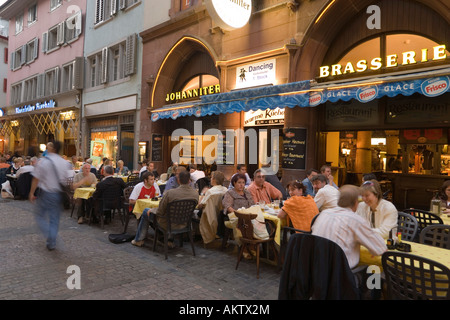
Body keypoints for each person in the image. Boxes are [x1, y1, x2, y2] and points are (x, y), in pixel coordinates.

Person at [311, 185, 387, 269]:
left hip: (315, 270)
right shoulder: (355, 220)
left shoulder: (323, 214)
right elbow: (381, 248)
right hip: (340, 275)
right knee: (373, 270)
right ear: (355, 202)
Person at [131, 170, 199, 247]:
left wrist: (151, 210)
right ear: (189, 181)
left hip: (168, 223)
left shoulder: (171, 193)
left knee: (146, 211)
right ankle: (168, 239)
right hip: (185, 223)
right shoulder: (195, 194)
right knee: (164, 214)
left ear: (179, 180)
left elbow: (160, 211)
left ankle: (139, 239)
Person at [29, 141, 73, 251]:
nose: (46, 148)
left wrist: (31, 192)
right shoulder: (65, 163)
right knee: (54, 219)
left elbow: (36, 178)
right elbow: (69, 181)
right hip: (58, 194)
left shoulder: (43, 162)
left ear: (52, 148)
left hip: (46, 193)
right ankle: (51, 243)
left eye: (48, 147)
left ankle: (51, 235)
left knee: (40, 216)